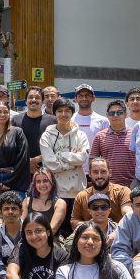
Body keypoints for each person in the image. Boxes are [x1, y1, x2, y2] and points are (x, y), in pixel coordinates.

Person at [39, 98, 89, 237]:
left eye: (67, 111)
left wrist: (61, 155)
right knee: (56, 231)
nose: (63, 114)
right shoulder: (47, 136)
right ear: (54, 113)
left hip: (77, 192)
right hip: (56, 192)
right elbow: (50, 164)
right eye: (60, 111)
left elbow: (82, 158)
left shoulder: (80, 135)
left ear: (72, 113)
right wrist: (73, 162)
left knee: (76, 232)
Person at [70, 157, 132, 228]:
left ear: (110, 173)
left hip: (118, 233)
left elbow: (128, 214)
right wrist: (93, 227)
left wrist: (115, 230)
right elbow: (74, 221)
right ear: (89, 174)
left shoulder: (123, 192)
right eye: (95, 172)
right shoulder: (81, 196)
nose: (99, 176)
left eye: (103, 172)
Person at [89, 99, 135, 187]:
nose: (115, 116)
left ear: (125, 114)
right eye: (112, 113)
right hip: (108, 186)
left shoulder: (135, 134)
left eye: (119, 113)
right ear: (107, 116)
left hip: (132, 185)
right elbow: (92, 160)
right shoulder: (100, 136)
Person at [11, 86, 56, 176]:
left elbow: (57, 146)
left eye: (37, 98)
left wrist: (36, 159)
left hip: (47, 171)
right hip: (21, 170)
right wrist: (27, 161)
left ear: (43, 101)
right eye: (30, 97)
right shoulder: (16, 120)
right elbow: (11, 146)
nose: (34, 100)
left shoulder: (53, 121)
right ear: (25, 101)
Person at [71, 84, 109, 169]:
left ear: (93, 98)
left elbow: (106, 147)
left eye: (87, 95)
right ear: (76, 99)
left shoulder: (103, 121)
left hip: (96, 170)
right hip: (74, 169)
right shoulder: (69, 120)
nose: (84, 98)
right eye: (81, 96)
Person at [22, 168, 67, 236]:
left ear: (52, 183)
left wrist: (36, 239)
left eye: (45, 181)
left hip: (50, 239)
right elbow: (22, 225)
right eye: (38, 181)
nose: (42, 184)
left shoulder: (60, 203)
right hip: (29, 238)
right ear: (34, 184)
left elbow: (52, 229)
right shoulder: (27, 201)